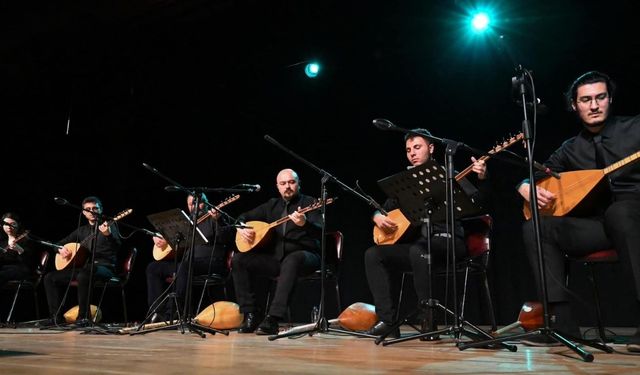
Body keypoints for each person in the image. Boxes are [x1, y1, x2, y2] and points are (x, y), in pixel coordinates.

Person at [517, 71, 640, 351]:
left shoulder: (635, 128)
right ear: (575, 105)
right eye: (586, 100)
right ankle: (561, 324)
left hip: (635, 216)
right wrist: (524, 186)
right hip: (599, 227)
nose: (594, 105)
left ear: (610, 100)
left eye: (600, 97)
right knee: (537, 227)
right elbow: (537, 174)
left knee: (620, 213)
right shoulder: (571, 149)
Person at [364, 129, 488, 338]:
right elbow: (384, 209)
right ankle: (388, 321)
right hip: (421, 246)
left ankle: (428, 321)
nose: (412, 153)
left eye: (417, 147)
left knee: (418, 250)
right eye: (408, 150)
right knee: (373, 255)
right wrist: (376, 216)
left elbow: (479, 203)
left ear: (431, 148)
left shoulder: (449, 174)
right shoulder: (406, 184)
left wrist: (482, 178)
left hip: (450, 242)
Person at [233, 168, 322, 335]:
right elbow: (243, 216)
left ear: (298, 184)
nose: (287, 186)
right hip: (277, 260)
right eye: (283, 183)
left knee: (293, 259)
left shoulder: (311, 203)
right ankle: (251, 313)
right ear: (278, 186)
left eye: (291, 182)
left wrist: (305, 224)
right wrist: (240, 227)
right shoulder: (271, 205)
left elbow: (322, 231)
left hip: (307, 256)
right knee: (239, 260)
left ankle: (273, 318)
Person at [146, 193, 233, 322]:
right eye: (192, 203)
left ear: (207, 203)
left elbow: (228, 238)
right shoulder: (186, 224)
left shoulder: (215, 218)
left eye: (200, 202)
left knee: (184, 266)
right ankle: (157, 312)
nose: (196, 206)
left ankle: (174, 313)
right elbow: (169, 237)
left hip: (211, 262)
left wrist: (218, 220)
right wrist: (158, 236)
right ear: (187, 206)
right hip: (187, 264)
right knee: (153, 268)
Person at [43, 196, 122, 326]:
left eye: (95, 208)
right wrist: (60, 250)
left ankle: (83, 317)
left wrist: (108, 235)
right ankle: (56, 317)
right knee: (50, 277)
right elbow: (57, 244)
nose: (92, 211)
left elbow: (117, 247)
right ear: (84, 213)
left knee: (84, 273)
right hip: (85, 269)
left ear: (101, 209)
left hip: (105, 268)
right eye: (88, 209)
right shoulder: (82, 230)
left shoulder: (110, 225)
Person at [0, 212, 37, 288]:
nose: (9, 227)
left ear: (18, 224)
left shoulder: (26, 239)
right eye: (6, 224)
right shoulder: (2, 242)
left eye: (12, 224)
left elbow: (30, 263)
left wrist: (19, 249)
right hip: (6, 268)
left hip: (22, 269)